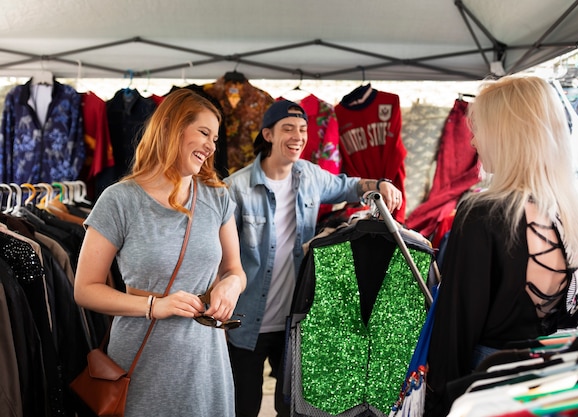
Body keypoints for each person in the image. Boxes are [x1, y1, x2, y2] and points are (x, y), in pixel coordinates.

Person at [424, 75, 578, 417]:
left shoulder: (483, 213)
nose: (473, 141)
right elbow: (571, 314)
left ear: (508, 136)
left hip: (486, 384)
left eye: (481, 129)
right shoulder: (576, 213)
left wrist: (436, 405)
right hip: (551, 383)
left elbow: (454, 330)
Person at [224, 99, 403, 417]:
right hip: (245, 322)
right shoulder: (235, 189)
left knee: (293, 408)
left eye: (303, 129)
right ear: (267, 134)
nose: (297, 136)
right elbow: (220, 258)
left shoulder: (310, 176)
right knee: (242, 408)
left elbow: (349, 187)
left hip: (294, 321)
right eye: (288, 128)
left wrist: (379, 185)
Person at [73, 89, 246, 417]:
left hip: (205, 363)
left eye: (215, 138)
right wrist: (155, 306)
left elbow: (235, 269)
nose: (211, 147)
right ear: (172, 128)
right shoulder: (119, 200)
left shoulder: (218, 199)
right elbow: (85, 290)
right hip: (141, 361)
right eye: (204, 133)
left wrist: (231, 285)